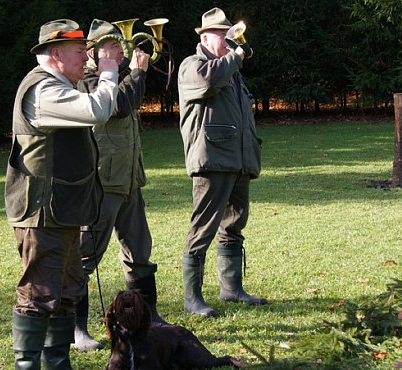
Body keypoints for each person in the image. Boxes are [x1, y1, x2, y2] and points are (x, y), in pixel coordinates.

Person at [4, 19, 119, 369]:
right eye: (80, 51)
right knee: (38, 295)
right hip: (42, 214)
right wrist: (110, 71)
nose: (87, 59)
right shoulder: (44, 91)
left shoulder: (59, 85)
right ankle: (27, 365)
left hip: (62, 211)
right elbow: (98, 110)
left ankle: (58, 363)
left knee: (68, 292)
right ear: (55, 54)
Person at [72, 19, 167, 352]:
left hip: (128, 181)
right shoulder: (87, 84)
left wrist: (136, 73)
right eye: (111, 47)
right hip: (102, 184)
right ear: (92, 53)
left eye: (119, 45)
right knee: (84, 258)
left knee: (140, 253)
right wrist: (138, 72)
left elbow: (129, 102)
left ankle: (149, 315)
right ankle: (77, 329)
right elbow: (118, 105)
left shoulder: (119, 81)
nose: (120, 51)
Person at [177, 7, 267, 318]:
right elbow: (207, 82)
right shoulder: (194, 65)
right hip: (212, 159)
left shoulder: (232, 71)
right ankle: (193, 299)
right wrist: (235, 57)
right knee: (203, 228)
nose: (228, 38)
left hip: (237, 160)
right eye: (221, 33)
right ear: (204, 37)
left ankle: (231, 289)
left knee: (234, 224)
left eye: (229, 32)